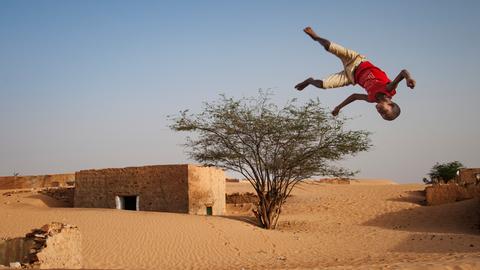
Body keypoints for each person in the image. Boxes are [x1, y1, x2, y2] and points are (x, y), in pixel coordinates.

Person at [295, 27, 416, 121]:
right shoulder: (389, 89)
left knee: (322, 85)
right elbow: (402, 72)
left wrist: (338, 107)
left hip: (350, 77)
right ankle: (316, 37)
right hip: (357, 61)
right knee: (328, 46)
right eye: (384, 112)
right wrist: (408, 78)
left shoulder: (371, 99)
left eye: (381, 115)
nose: (380, 112)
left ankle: (309, 80)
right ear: (390, 103)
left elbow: (354, 96)